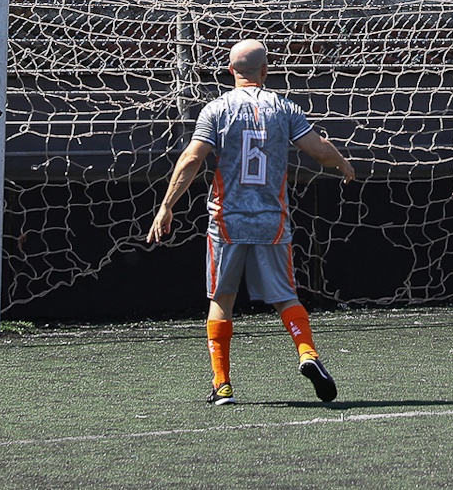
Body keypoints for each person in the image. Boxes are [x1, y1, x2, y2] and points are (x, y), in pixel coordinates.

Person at [146, 39, 356, 405]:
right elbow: (318, 150)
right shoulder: (283, 107)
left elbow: (191, 159)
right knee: (285, 296)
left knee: (221, 299)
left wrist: (166, 206)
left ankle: (223, 385)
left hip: (227, 220)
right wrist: (342, 162)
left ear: (230, 71)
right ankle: (307, 353)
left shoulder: (216, 109)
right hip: (271, 221)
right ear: (266, 70)